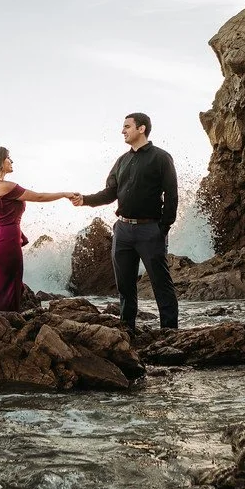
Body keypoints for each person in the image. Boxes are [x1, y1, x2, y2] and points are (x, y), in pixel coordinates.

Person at [72, 113, 179, 331]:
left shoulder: (161, 157)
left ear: (141, 129)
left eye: (127, 126)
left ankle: (169, 332)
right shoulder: (122, 161)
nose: (123, 131)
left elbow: (172, 195)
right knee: (125, 286)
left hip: (150, 229)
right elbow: (110, 193)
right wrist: (85, 200)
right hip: (122, 230)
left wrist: (163, 227)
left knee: (161, 284)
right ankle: (127, 330)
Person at [0, 146, 78, 312]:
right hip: (6, 241)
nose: (11, 161)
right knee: (10, 285)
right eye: (8, 157)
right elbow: (39, 197)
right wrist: (64, 194)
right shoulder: (7, 186)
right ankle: (6, 324)